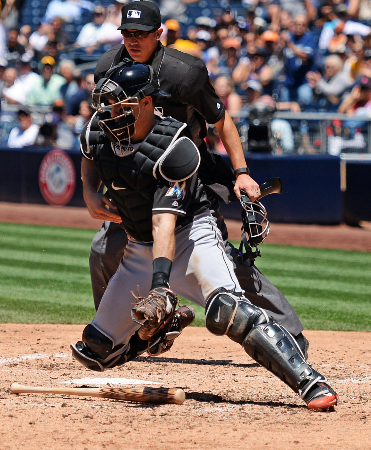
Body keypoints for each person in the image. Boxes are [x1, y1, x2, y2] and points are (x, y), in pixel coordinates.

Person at [72, 62, 338, 412]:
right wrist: (90, 193)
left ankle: (309, 381)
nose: (112, 113)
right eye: (110, 106)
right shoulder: (99, 130)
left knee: (228, 310)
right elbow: (91, 156)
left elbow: (164, 221)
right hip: (139, 245)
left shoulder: (176, 145)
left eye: (123, 105)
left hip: (192, 236)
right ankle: (160, 329)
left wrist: (161, 285)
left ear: (148, 103)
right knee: (95, 350)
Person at [86, 0, 309, 353]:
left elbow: (221, 122)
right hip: (138, 174)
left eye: (140, 33)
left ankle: (291, 336)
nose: (132, 39)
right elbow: (98, 128)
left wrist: (241, 173)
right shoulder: (109, 67)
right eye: (127, 33)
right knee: (104, 250)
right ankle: (130, 333)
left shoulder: (182, 72)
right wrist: (90, 188)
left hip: (184, 173)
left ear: (158, 34)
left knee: (224, 262)